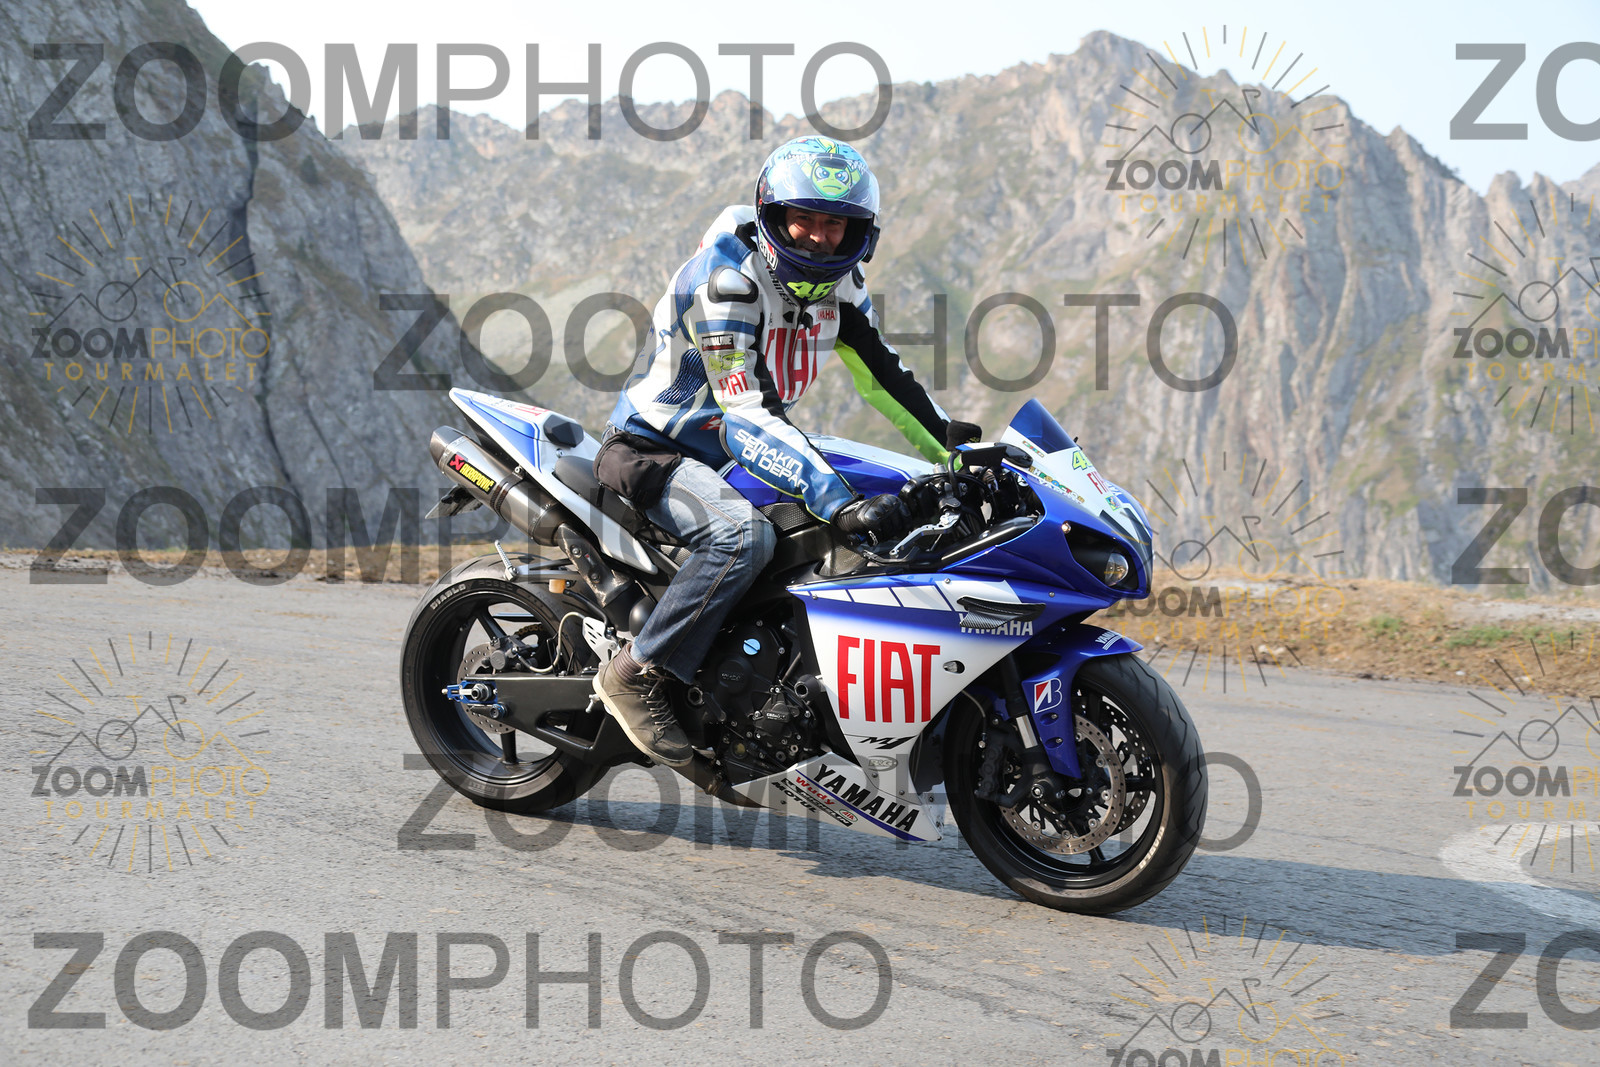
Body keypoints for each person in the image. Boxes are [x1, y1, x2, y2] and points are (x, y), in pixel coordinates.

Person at [592, 135, 977, 767]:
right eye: (805, 219)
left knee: (864, 531)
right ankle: (637, 673)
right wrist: (838, 499)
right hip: (656, 449)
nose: (820, 239)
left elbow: (887, 378)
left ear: (861, 233)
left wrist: (959, 453)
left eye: (836, 225)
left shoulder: (841, 287)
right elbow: (744, 414)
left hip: (738, 452)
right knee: (743, 539)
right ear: (773, 216)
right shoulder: (727, 283)